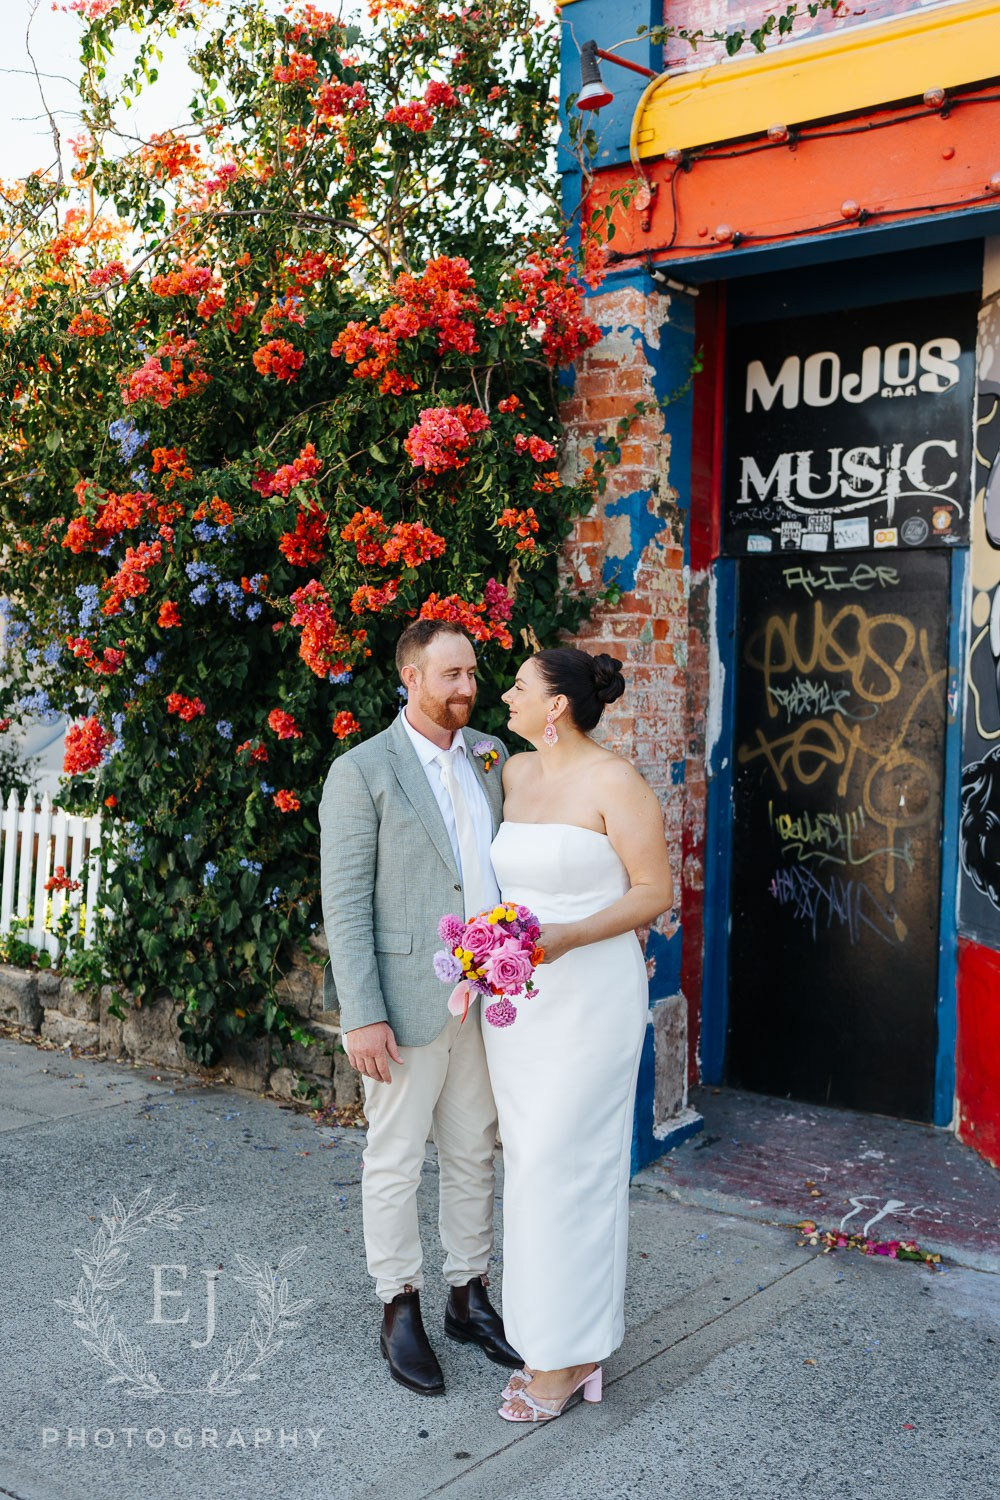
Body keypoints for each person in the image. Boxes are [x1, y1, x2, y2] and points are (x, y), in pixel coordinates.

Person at [319, 619, 521, 1395]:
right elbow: (345, 906)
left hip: (484, 998)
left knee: (474, 1151)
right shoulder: (362, 771)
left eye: (471, 673)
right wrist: (361, 1013)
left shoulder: (491, 755)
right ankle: (398, 1304)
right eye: (451, 675)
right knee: (396, 1160)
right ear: (411, 677)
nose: (468, 687)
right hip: (404, 1001)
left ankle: (468, 1294)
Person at [482, 647, 674, 1422]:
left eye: (520, 686)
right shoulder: (514, 774)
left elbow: (654, 891)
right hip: (520, 1003)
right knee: (531, 1166)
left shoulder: (616, 783)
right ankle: (548, 1343)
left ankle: (570, 1353)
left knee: (572, 1165)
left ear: (556, 705)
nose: (506, 695)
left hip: (590, 995)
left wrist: (569, 936)